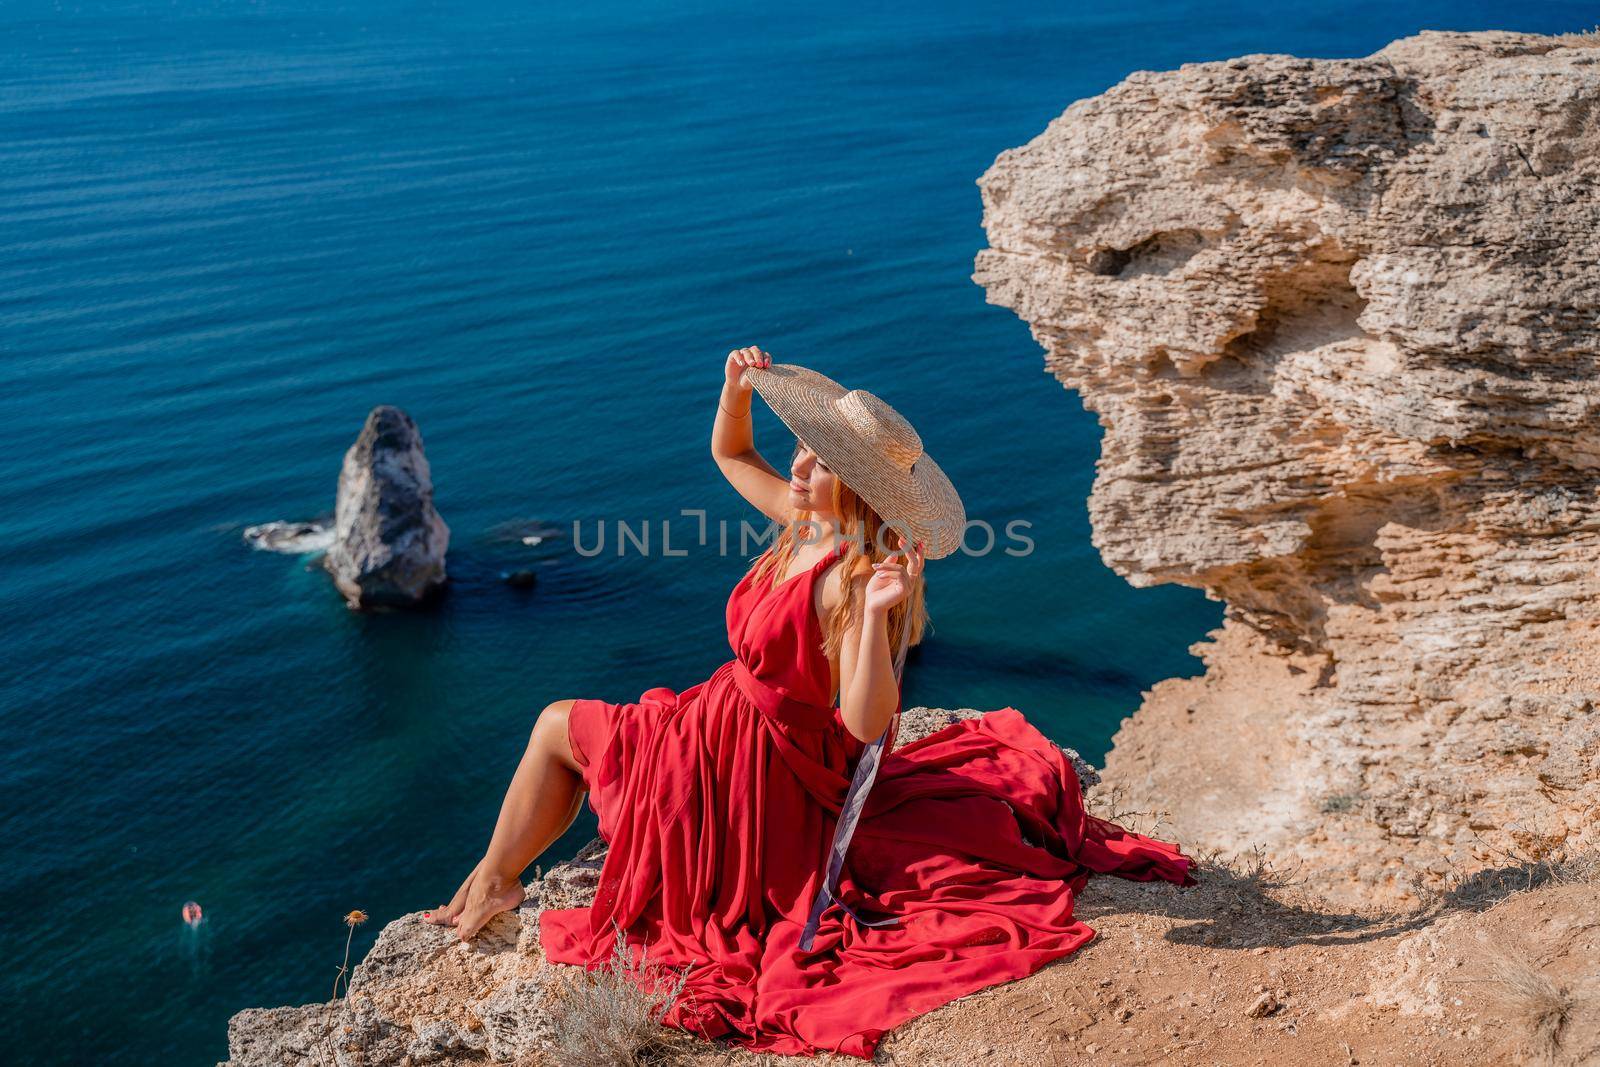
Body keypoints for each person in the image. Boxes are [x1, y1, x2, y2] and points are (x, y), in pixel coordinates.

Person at [423, 347, 1195, 1058]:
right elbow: (731, 453)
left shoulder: (856, 577)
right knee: (562, 725)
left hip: (766, 768)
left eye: (819, 461)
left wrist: (871, 617)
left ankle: (496, 877)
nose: (796, 467)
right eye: (803, 449)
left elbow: (863, 722)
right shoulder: (806, 525)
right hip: (720, 718)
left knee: (559, 723)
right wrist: (735, 392)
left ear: (855, 485)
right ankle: (496, 874)